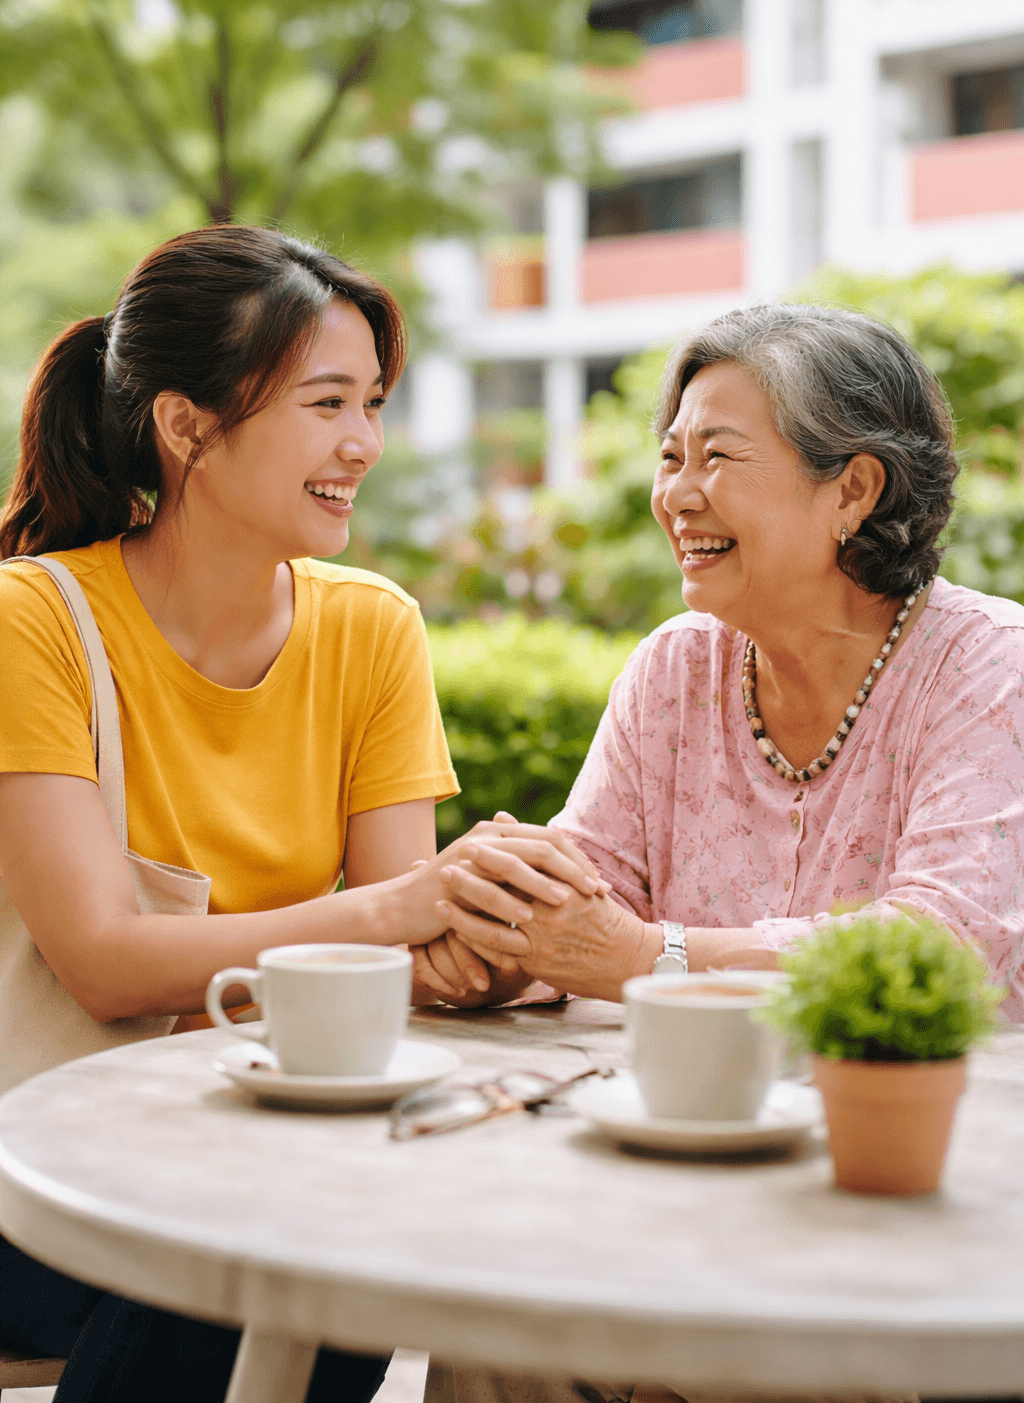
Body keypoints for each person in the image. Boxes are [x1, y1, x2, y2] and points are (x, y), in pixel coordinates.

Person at [0, 224, 596, 1403]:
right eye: (327, 403)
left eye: (372, 402)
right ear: (188, 427)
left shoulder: (370, 627)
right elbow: (107, 964)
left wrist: (485, 929)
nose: (363, 444)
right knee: (283, 1255)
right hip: (42, 1177)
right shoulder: (34, 622)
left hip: (254, 1142)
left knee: (336, 1240)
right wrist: (401, 910)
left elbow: (405, 954)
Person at [419, 302, 1024, 1403]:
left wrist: (647, 959)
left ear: (853, 489)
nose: (676, 494)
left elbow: (944, 951)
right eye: (669, 457)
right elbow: (586, 890)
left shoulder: (989, 671)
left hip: (915, 1203)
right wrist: (502, 936)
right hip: (683, 1163)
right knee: (492, 1311)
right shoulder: (674, 668)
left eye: (717, 457)